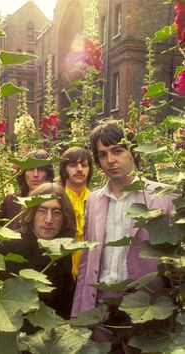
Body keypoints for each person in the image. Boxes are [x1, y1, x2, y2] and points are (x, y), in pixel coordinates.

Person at [71, 122, 175, 349]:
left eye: (117, 151)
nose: (110, 160)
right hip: (101, 307)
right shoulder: (94, 201)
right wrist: (79, 314)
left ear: (132, 151)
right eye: (103, 154)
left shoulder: (163, 197)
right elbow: (87, 260)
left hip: (145, 304)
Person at [0, 182, 76, 320]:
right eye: (42, 210)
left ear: (64, 218)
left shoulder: (64, 250)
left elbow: (65, 305)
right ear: (32, 213)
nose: (49, 220)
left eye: (56, 212)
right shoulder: (7, 245)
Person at [0, 149, 54, 230]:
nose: (35, 174)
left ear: (48, 174)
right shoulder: (11, 201)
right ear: (23, 173)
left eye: (41, 169)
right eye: (30, 169)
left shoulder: (55, 202)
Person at [59, 147, 93, 278]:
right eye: (73, 165)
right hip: (62, 274)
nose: (79, 169)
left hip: (91, 274)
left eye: (84, 165)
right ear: (64, 170)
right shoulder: (56, 200)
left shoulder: (97, 200)